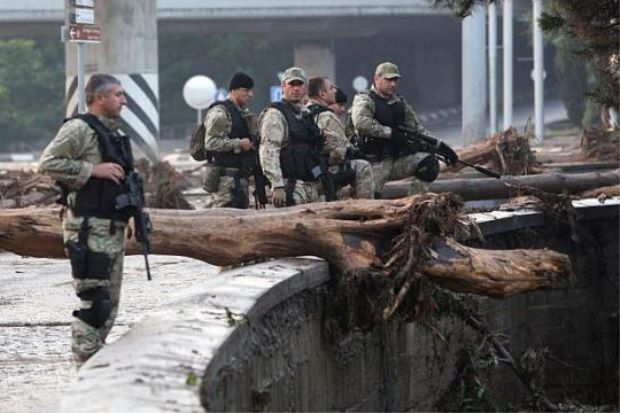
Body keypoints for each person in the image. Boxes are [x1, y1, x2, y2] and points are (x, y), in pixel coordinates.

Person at [39, 74, 138, 364]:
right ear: (99, 98)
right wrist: (91, 170)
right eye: (118, 95)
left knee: (110, 304)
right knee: (96, 301)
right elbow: (49, 162)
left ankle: (93, 359)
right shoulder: (80, 129)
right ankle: (83, 363)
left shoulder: (113, 134)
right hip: (87, 228)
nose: (124, 100)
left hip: (110, 227)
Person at [350, 62, 458, 197]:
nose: (393, 84)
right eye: (388, 80)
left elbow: (416, 128)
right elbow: (361, 123)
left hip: (396, 161)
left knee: (429, 164)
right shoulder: (365, 99)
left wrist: (439, 145)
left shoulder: (399, 102)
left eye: (395, 80)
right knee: (368, 204)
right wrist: (390, 134)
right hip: (373, 163)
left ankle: (414, 204)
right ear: (376, 79)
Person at [258, 67, 325, 207]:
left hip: (311, 183)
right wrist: (277, 185)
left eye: (299, 84)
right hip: (290, 185)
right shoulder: (275, 115)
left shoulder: (306, 115)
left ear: (305, 88)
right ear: (283, 87)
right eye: (292, 84)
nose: (296, 89)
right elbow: (269, 151)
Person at [306, 76, 374, 199]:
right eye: (331, 88)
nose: (335, 91)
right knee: (363, 166)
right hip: (321, 173)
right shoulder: (327, 116)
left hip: (307, 170)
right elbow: (339, 153)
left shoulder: (303, 112)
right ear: (322, 94)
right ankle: (366, 211)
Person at [202, 72, 257, 208]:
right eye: (245, 90)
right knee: (224, 220)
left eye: (251, 90)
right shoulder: (220, 113)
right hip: (225, 183)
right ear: (233, 90)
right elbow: (210, 143)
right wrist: (239, 144)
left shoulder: (242, 113)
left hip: (239, 179)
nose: (250, 94)